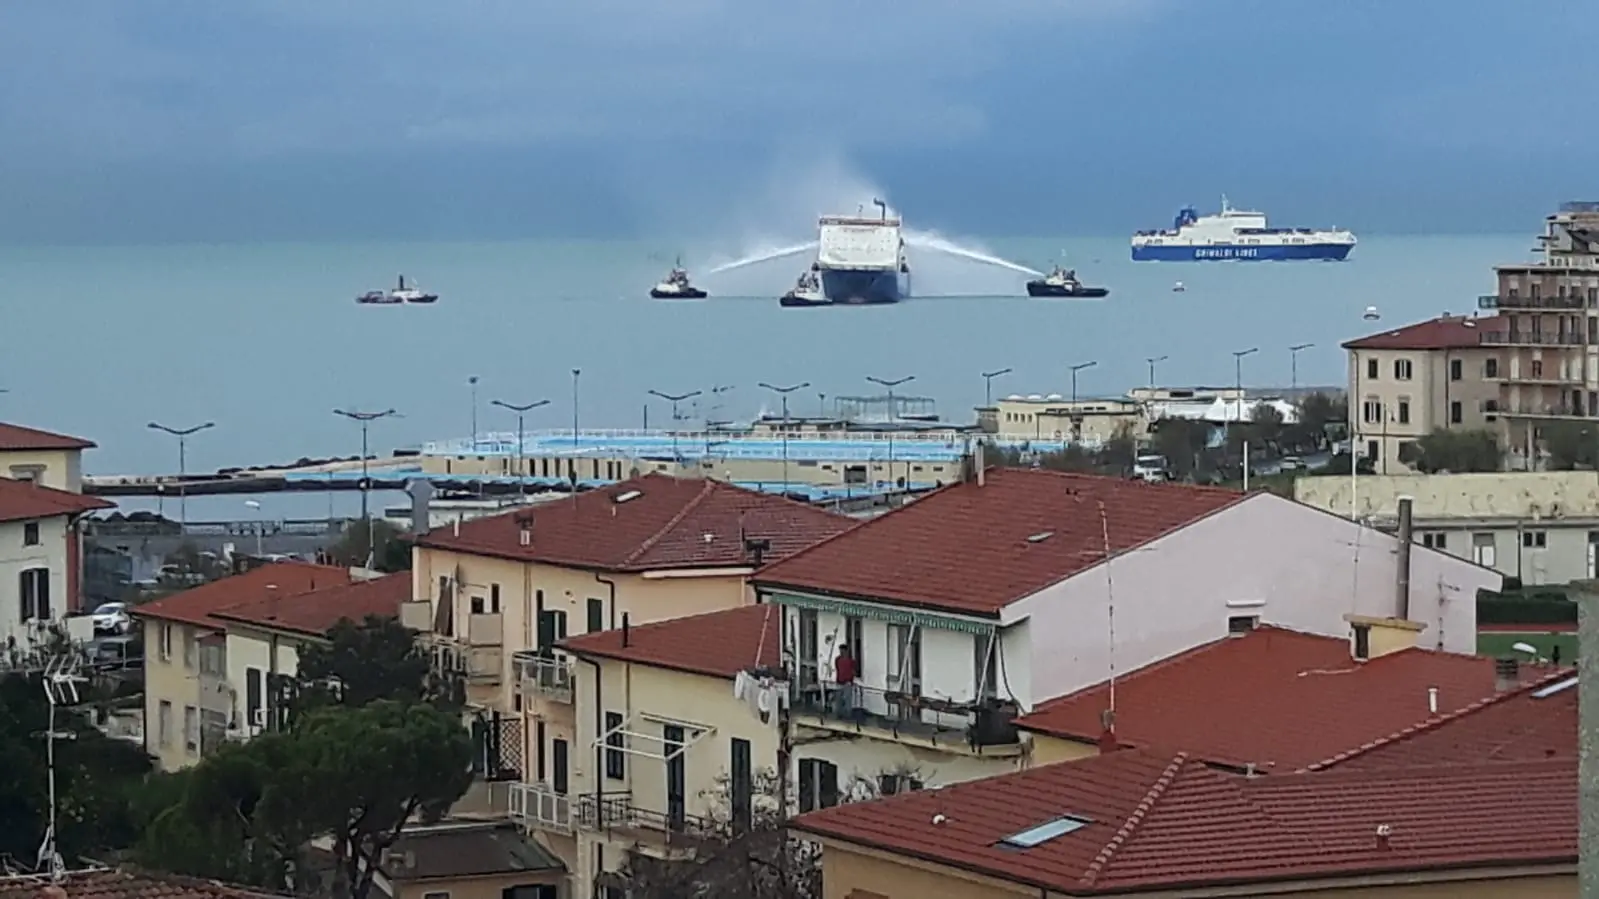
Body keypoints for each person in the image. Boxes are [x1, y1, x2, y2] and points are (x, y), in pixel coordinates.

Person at [832, 643, 858, 718]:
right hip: (839, 682)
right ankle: (839, 714)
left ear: (846, 651)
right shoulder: (837, 659)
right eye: (840, 651)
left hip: (847, 682)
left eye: (842, 651)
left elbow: (854, 672)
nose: (841, 652)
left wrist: (850, 680)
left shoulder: (851, 661)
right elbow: (837, 669)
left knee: (847, 699)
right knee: (838, 699)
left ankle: (848, 715)